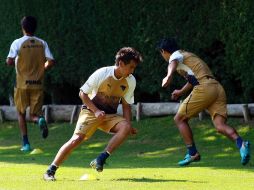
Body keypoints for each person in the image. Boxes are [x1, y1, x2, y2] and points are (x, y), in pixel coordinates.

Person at [43, 47, 143, 181]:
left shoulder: (131, 80)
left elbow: (126, 104)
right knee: (76, 139)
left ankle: (100, 159)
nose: (132, 71)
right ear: (121, 64)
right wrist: (96, 111)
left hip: (109, 116)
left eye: (134, 68)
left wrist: (129, 125)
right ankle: (50, 171)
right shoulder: (102, 73)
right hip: (90, 111)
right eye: (131, 67)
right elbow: (82, 93)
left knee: (125, 127)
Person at [156, 38, 250, 166]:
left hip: (205, 88)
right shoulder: (189, 56)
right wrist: (181, 91)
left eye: (161, 53)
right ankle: (241, 144)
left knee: (179, 119)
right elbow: (192, 78)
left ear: (163, 51)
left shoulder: (176, 55)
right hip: (217, 88)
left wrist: (168, 76)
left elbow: (172, 62)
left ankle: (192, 153)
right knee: (219, 125)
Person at [6, 16, 55, 152]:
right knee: (34, 114)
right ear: (35, 28)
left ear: (22, 28)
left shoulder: (17, 43)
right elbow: (51, 61)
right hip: (38, 84)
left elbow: (9, 61)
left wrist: (12, 61)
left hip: (21, 84)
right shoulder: (42, 43)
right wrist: (42, 68)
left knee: (21, 113)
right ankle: (39, 120)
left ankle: (26, 144)